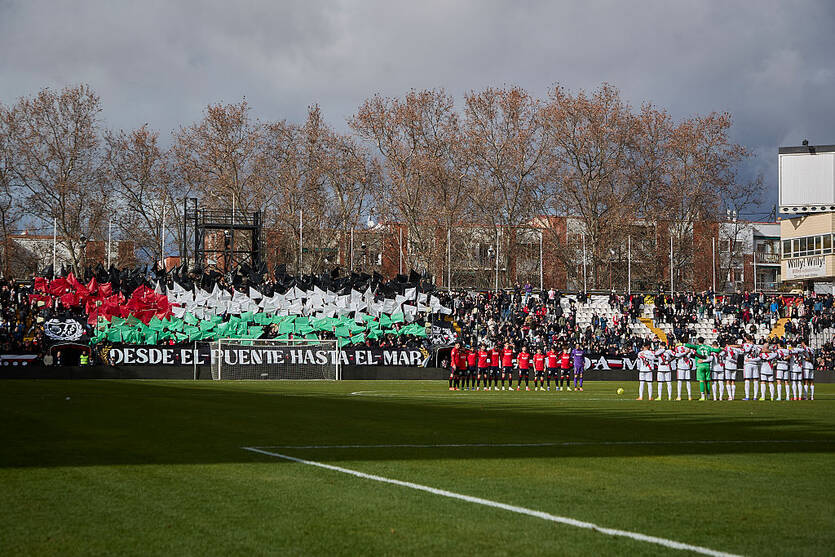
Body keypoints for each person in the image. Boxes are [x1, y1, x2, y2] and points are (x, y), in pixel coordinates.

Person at [685, 337, 721, 402]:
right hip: (707, 365)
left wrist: (682, 344)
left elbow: (688, 345)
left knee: (701, 381)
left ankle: (702, 396)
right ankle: (708, 396)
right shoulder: (708, 347)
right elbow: (718, 350)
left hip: (700, 365)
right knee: (707, 381)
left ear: (698, 341)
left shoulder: (697, 347)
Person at [742, 336, 760, 401]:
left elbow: (744, 349)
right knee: (755, 380)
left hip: (748, 364)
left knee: (747, 380)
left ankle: (747, 396)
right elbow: (759, 355)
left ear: (746, 339)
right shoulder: (757, 346)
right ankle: (755, 397)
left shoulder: (745, 345)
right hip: (755, 364)